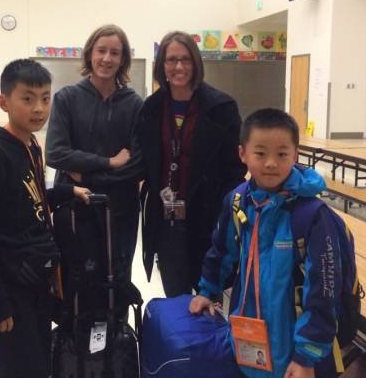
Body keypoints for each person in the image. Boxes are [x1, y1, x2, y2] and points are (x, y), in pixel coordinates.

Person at [189, 108, 342, 378]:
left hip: (295, 351)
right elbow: (221, 251)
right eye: (260, 153)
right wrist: (208, 290)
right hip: (247, 337)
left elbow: (324, 291)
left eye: (282, 154)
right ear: (242, 154)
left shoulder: (312, 215)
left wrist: (306, 356)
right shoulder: (238, 202)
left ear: (295, 155)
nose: (271, 163)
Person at [0, 59, 90, 378]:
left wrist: (67, 191)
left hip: (34, 279)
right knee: (21, 369)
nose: (39, 108)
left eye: (46, 98)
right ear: (4, 101)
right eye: (28, 98)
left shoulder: (30, 144)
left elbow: (27, 198)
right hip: (7, 288)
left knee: (39, 365)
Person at [137, 30, 246, 297]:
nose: (179, 66)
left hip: (209, 217)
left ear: (196, 62)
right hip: (167, 219)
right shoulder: (151, 108)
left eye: (185, 59)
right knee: (176, 295)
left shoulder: (222, 107)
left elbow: (235, 168)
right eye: (171, 59)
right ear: (162, 65)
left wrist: (225, 213)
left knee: (209, 296)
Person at [46, 24, 143, 295]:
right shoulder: (67, 99)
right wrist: (108, 162)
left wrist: (87, 176)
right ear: (90, 53)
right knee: (76, 280)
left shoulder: (134, 105)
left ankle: (118, 323)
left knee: (117, 281)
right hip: (75, 205)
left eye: (115, 53)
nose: (107, 59)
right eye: (101, 50)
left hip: (121, 210)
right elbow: (55, 152)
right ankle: (72, 323)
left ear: (123, 60)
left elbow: (137, 165)